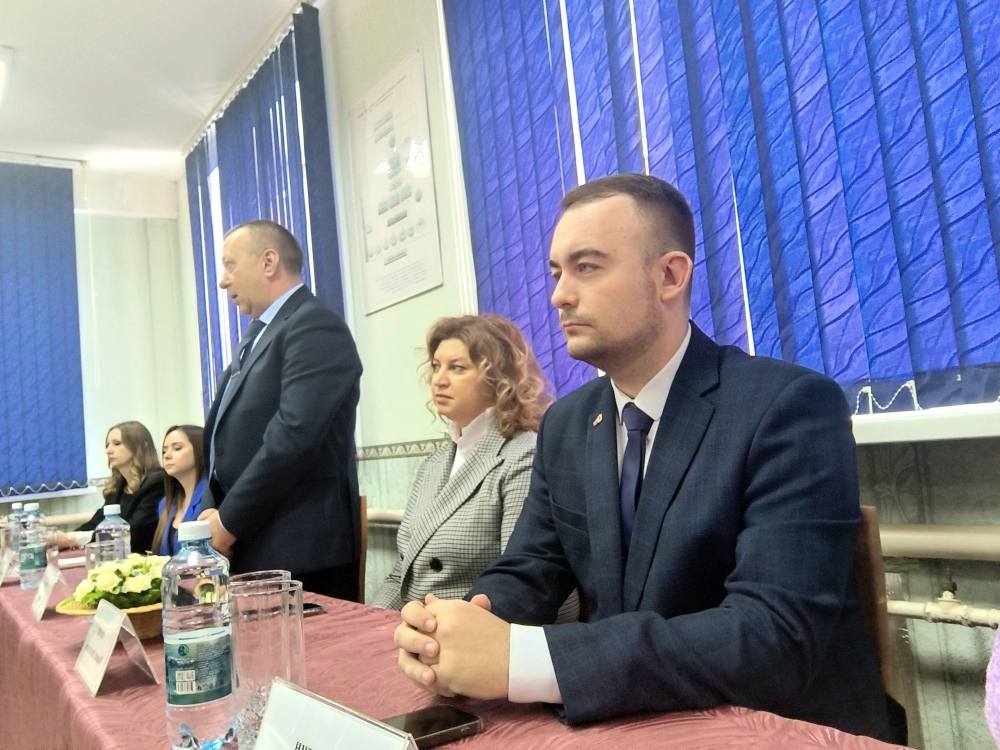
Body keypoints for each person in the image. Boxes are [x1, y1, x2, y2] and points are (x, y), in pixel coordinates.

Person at [393, 174, 893, 742]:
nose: (559, 295)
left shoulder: (787, 406)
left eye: (586, 267)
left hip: (768, 728)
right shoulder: (567, 423)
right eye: (556, 273)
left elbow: (772, 635)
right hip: (627, 719)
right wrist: (460, 625)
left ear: (670, 276)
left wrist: (525, 659)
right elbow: (531, 567)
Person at [200, 219, 363, 600]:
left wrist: (228, 521)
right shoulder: (256, 338)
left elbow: (293, 437)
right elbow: (224, 440)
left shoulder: (313, 325)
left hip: (299, 555)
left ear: (269, 262)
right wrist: (211, 510)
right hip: (252, 545)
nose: (223, 281)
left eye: (230, 265)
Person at [372, 314, 554, 609]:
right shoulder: (433, 465)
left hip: (472, 624)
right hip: (411, 622)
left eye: (457, 367)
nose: (438, 380)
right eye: (436, 366)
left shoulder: (524, 455)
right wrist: (371, 621)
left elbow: (521, 582)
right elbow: (400, 574)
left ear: (498, 378)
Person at [59, 421, 164, 553]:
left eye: (117, 444)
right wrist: (61, 538)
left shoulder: (157, 482)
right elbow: (97, 522)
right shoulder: (119, 485)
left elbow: (134, 533)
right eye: (107, 445)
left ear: (141, 446)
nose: (108, 450)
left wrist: (70, 539)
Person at [152, 425, 207, 557]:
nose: (167, 456)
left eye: (177, 448)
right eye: (164, 451)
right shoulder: (165, 504)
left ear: (199, 450)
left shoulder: (211, 499)